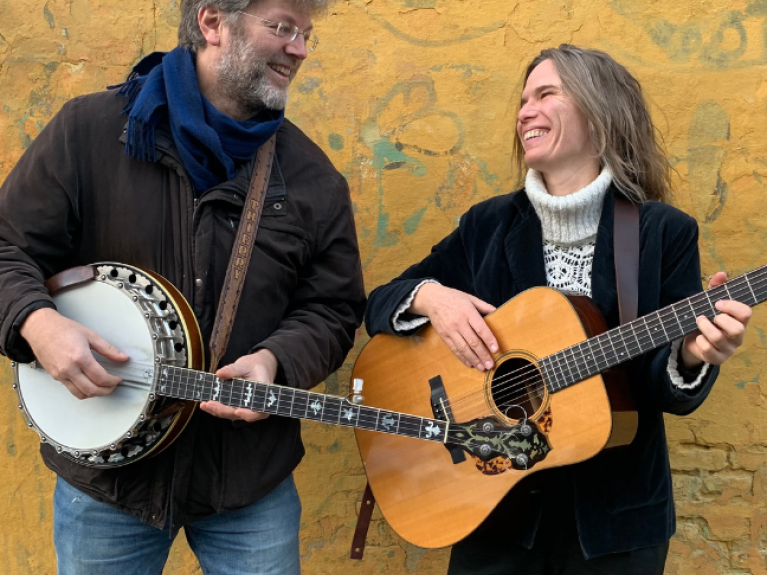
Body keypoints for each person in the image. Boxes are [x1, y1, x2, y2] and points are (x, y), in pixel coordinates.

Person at [0, 0, 365, 573]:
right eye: (281, 28)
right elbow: (7, 248)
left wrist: (276, 360)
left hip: (247, 483)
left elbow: (334, 307)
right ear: (212, 22)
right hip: (108, 481)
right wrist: (37, 323)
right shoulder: (88, 133)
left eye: (305, 34)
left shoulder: (312, 176)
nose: (299, 49)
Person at [364, 45, 751, 574]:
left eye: (546, 94)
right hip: (494, 511)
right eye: (523, 99)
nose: (524, 111)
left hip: (616, 525)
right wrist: (433, 297)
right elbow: (381, 302)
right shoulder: (487, 225)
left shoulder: (661, 231)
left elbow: (663, 393)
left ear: (600, 112)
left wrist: (691, 355)